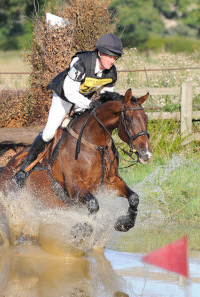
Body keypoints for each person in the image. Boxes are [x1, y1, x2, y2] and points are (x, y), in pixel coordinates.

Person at [12, 33, 124, 188]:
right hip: (64, 98)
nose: (112, 61)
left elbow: (105, 96)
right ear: (99, 53)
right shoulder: (81, 63)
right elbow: (69, 90)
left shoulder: (112, 73)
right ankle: (24, 168)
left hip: (84, 101)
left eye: (115, 58)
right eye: (110, 57)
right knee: (49, 133)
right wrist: (89, 104)